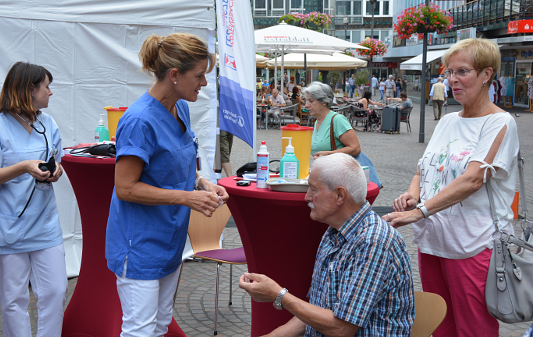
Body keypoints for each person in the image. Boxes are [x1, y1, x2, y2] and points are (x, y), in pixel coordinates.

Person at [382, 38, 520, 337]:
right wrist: (413, 193)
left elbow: (472, 179)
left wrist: (420, 212)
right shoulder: (447, 120)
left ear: (486, 75)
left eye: (462, 72)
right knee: (440, 326)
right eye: (449, 72)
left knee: (474, 329)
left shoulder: (499, 123)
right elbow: (424, 167)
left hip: (473, 245)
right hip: (434, 241)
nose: (452, 80)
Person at [108, 33, 228, 336]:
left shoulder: (181, 109)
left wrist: (202, 183)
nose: (203, 83)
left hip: (170, 240)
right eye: (199, 75)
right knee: (140, 330)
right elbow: (125, 188)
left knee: (159, 326)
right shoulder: (139, 120)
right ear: (174, 75)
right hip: (140, 245)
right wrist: (187, 198)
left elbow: (176, 164)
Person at [239, 153, 414, 336]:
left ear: (340, 195)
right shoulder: (334, 231)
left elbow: (342, 328)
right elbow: (316, 310)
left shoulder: (373, 242)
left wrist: (279, 295)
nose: (307, 197)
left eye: (313, 189)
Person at [0, 61, 66, 337]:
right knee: (14, 301)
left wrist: (56, 170)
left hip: (45, 224)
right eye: (47, 87)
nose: (51, 92)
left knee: (55, 291)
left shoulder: (48, 123)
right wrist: (24, 167)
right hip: (6, 227)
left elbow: (56, 162)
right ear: (29, 89)